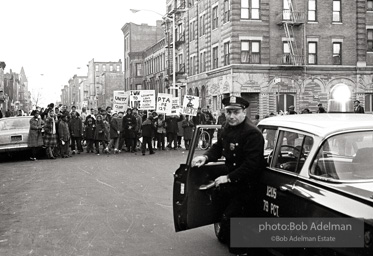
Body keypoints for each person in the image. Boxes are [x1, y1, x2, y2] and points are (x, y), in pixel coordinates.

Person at [191, 96, 265, 253]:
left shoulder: (252, 133)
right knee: (225, 216)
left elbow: (252, 164)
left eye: (236, 112)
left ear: (244, 112)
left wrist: (228, 178)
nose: (231, 116)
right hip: (233, 180)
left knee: (235, 220)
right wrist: (205, 157)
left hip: (247, 185)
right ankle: (231, 240)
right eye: (228, 112)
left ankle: (241, 250)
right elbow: (218, 146)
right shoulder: (227, 127)